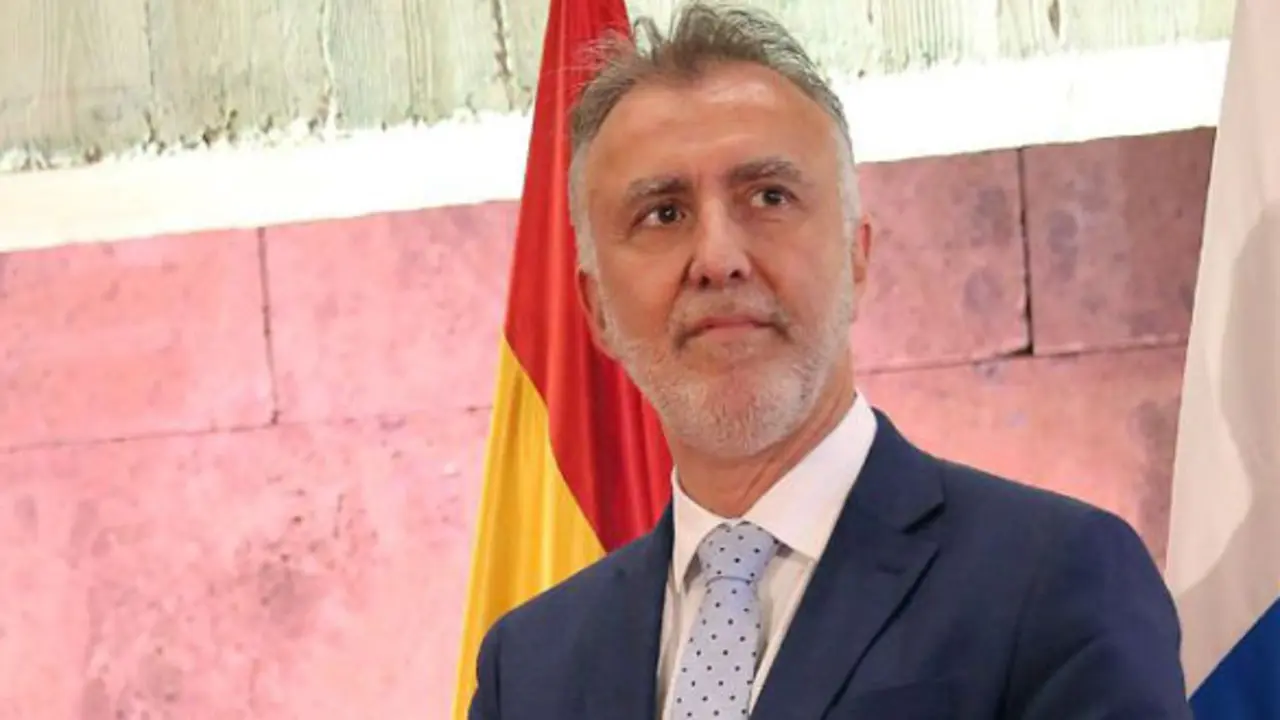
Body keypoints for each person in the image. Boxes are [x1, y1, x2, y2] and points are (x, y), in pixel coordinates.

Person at [468, 3, 1192, 717]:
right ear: (597, 308)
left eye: (768, 196)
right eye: (664, 213)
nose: (718, 257)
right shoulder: (527, 667)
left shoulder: (1053, 579)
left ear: (857, 257)